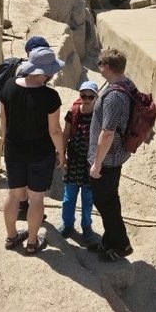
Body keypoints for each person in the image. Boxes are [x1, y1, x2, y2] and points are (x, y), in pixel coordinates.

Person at [0, 45, 65, 255]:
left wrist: (3, 143)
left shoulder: (8, 86)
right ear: (46, 72)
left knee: (13, 194)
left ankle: (11, 237)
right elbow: (55, 130)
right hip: (40, 153)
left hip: (14, 150)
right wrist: (61, 153)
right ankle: (32, 242)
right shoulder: (50, 96)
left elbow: (3, 119)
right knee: (36, 198)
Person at [88, 47, 135, 261]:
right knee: (109, 200)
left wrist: (97, 163)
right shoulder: (126, 84)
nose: (98, 67)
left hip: (108, 159)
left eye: (100, 63)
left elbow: (107, 133)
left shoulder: (115, 96)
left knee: (106, 203)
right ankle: (109, 241)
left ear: (106, 67)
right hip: (114, 155)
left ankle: (121, 245)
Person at [59, 80, 99, 242]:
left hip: (90, 164)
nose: (87, 99)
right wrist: (62, 155)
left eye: (91, 96)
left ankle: (86, 227)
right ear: (80, 96)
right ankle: (67, 224)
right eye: (84, 96)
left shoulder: (99, 116)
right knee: (69, 198)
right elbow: (65, 134)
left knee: (88, 198)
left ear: (96, 97)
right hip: (74, 161)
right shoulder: (73, 112)